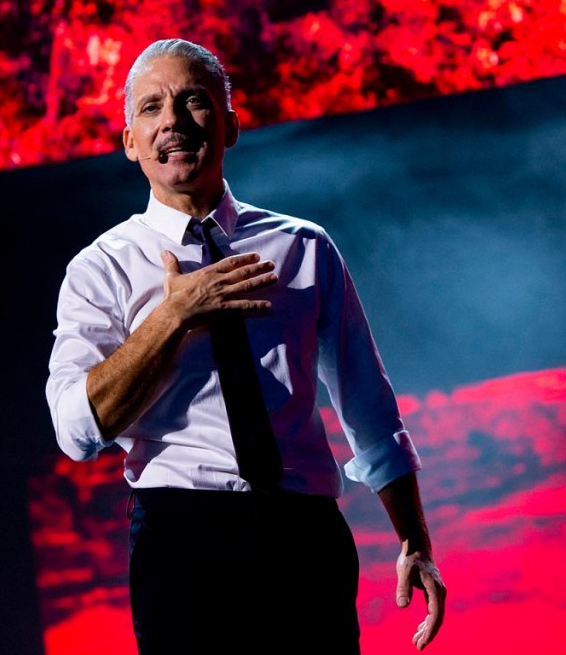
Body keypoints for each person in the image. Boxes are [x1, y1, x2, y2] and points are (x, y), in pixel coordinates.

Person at [45, 38, 446, 653]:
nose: (172, 122)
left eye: (193, 101)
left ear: (229, 126)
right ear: (130, 141)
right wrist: (173, 316)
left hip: (303, 536)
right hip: (183, 544)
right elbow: (76, 431)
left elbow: (368, 406)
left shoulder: (303, 246)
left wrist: (414, 539)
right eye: (151, 108)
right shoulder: (101, 269)